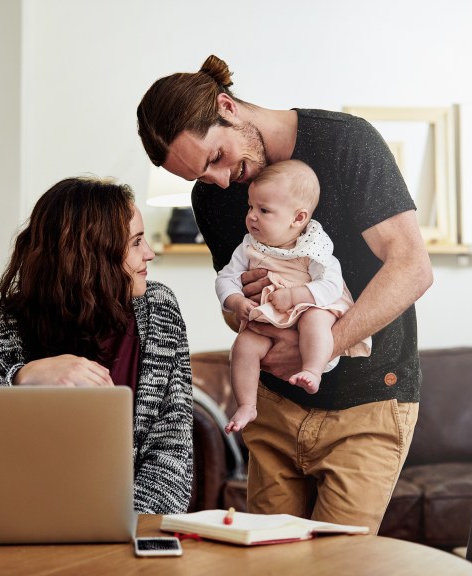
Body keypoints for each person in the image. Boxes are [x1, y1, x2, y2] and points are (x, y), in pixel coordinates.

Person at [137, 55, 433, 532]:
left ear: (227, 106)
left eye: (215, 158)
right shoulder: (213, 197)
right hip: (272, 413)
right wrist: (246, 311)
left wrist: (321, 345)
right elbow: (236, 303)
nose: (216, 181)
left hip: (368, 404)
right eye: (199, 177)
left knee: (338, 565)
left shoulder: (346, 143)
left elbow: (412, 268)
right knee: (270, 563)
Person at [0, 176, 193, 515]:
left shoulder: (158, 311)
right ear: (92, 254)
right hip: (15, 521)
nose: (150, 253)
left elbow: (171, 451)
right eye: (137, 242)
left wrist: (126, 530)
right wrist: (21, 378)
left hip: (128, 525)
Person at [215, 160, 371, 433]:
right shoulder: (249, 246)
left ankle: (312, 369)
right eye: (250, 207)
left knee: (315, 319)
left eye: (264, 210)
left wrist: (298, 295)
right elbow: (225, 278)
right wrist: (235, 301)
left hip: (309, 304)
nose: (252, 216)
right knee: (244, 345)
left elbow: (332, 285)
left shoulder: (313, 247)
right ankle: (247, 404)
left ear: (298, 218)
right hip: (271, 315)